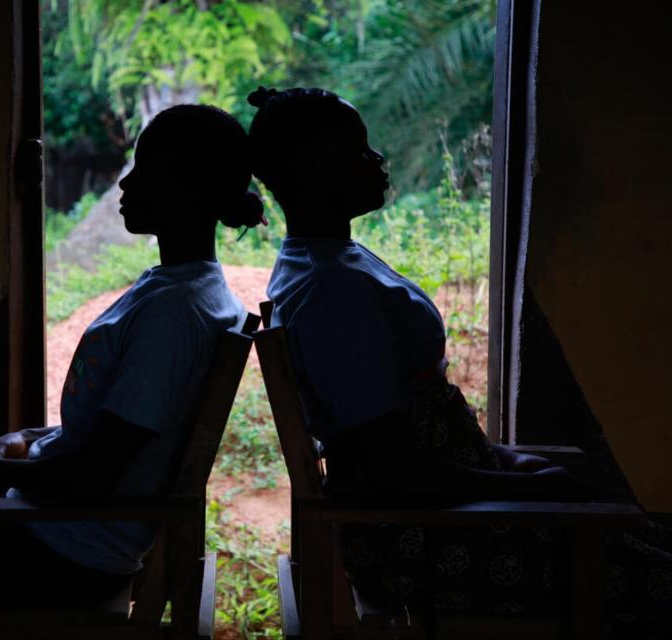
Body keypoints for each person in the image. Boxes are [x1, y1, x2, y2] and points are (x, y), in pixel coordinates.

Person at [246, 86, 672, 637]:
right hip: (422, 538)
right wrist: (524, 489)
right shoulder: (332, 293)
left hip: (438, 511)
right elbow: (394, 468)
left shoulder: (328, 262)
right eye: (356, 150)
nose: (375, 160)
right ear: (311, 168)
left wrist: (501, 461)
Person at [0, 104, 264, 609]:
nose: (127, 185)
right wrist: (30, 438)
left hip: (60, 555)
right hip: (53, 534)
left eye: (145, 171)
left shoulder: (176, 315)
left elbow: (92, 475)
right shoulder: (185, 289)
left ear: (186, 188)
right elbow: (105, 441)